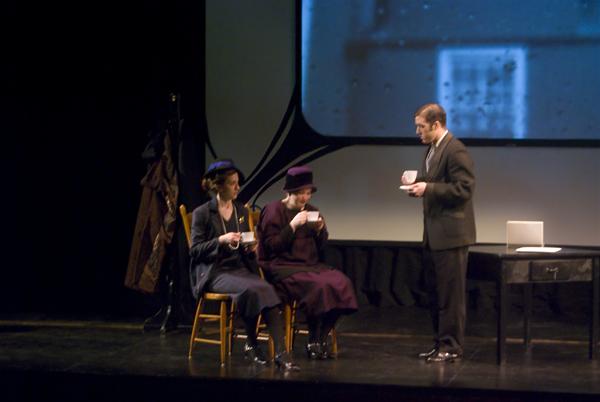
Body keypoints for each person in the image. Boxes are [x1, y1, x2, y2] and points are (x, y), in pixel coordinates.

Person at [189, 159, 298, 370]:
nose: (238, 187)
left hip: (237, 269)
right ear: (218, 186)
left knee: (265, 288)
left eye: (238, 182)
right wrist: (221, 240)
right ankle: (252, 344)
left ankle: (282, 354)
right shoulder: (202, 213)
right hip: (214, 272)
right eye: (232, 183)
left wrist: (250, 248)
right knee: (252, 289)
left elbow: (244, 247)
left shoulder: (241, 211)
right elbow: (195, 251)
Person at [257, 166, 358, 359]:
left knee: (341, 283)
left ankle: (318, 338)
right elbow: (271, 246)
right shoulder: (273, 210)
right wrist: (293, 225)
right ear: (289, 192)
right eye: (300, 194)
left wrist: (320, 230)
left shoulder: (312, 211)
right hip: (282, 267)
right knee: (319, 286)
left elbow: (321, 247)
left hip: (308, 265)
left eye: (308, 193)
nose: (305, 198)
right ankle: (313, 337)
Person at [401, 103, 476, 363]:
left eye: (421, 127)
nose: (418, 132)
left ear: (436, 125)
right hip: (435, 234)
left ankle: (452, 346)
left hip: (451, 235)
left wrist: (428, 189)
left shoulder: (455, 149)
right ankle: (440, 343)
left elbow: (464, 189)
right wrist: (417, 184)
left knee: (451, 297)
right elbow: (436, 182)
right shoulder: (433, 149)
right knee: (436, 294)